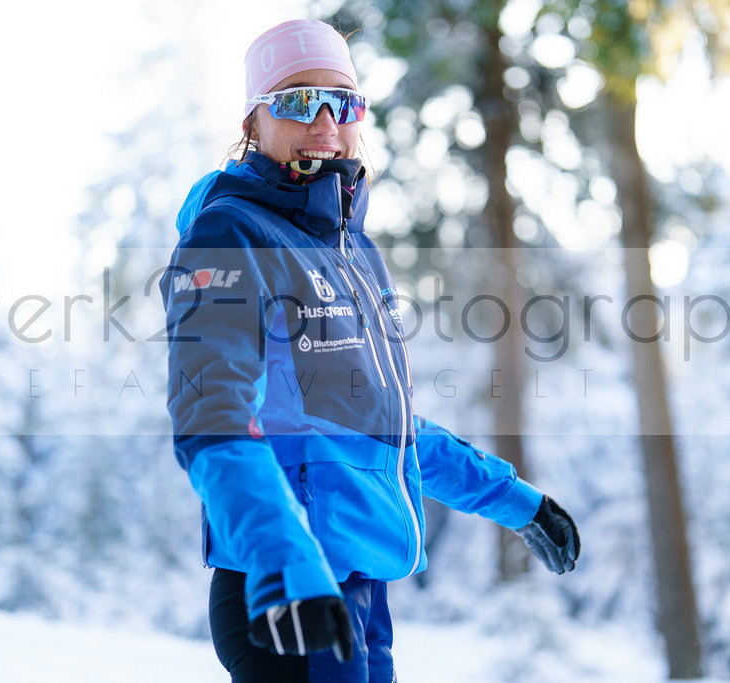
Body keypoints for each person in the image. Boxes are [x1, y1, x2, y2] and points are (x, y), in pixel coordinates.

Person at [161, 19, 580, 683]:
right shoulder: (230, 231)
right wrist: (283, 559)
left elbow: (384, 428)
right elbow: (211, 414)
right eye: (298, 100)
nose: (325, 119)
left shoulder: (351, 251)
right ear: (253, 121)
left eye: (344, 101)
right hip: (288, 593)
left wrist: (514, 499)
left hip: (358, 591)